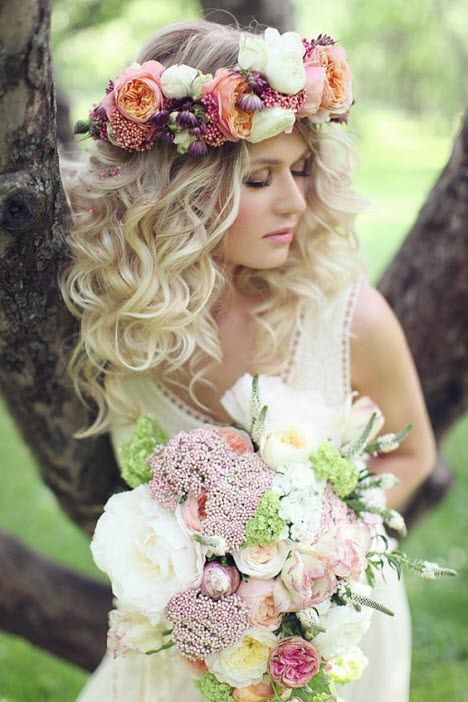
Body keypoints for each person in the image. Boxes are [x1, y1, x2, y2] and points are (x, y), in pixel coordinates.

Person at [60, 19, 437, 702]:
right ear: (180, 189)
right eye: (262, 178)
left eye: (300, 170)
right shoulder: (129, 326)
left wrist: (312, 553)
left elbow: (411, 453)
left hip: (326, 635)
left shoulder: (348, 316)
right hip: (184, 646)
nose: (295, 200)